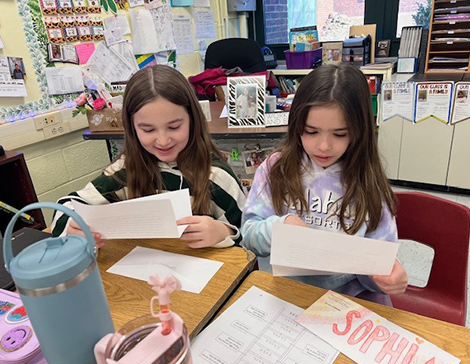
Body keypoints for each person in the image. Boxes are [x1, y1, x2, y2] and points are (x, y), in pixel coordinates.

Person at [241, 64, 408, 305]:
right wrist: (280, 226)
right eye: (311, 131)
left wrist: (388, 277)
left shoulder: (368, 181)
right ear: (297, 125)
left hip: (349, 301)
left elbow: (379, 265)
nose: (323, 147)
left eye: (340, 134)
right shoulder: (276, 169)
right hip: (288, 297)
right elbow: (249, 234)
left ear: (359, 131)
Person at [51, 65, 247, 249]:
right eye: (148, 129)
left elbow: (247, 236)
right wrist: (72, 225)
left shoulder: (216, 176)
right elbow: (66, 204)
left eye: (174, 127)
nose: (163, 141)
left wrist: (223, 231)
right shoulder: (126, 169)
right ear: (133, 129)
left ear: (193, 120)